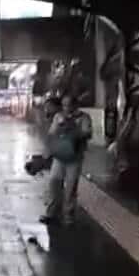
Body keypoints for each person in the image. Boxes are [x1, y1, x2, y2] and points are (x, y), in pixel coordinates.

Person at [41, 94, 92, 225]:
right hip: (59, 156)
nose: (66, 107)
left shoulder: (84, 117)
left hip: (75, 157)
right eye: (63, 105)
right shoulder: (58, 117)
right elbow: (52, 133)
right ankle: (52, 212)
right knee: (54, 182)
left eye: (68, 104)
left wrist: (72, 129)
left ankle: (68, 215)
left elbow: (87, 133)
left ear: (75, 105)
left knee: (70, 187)